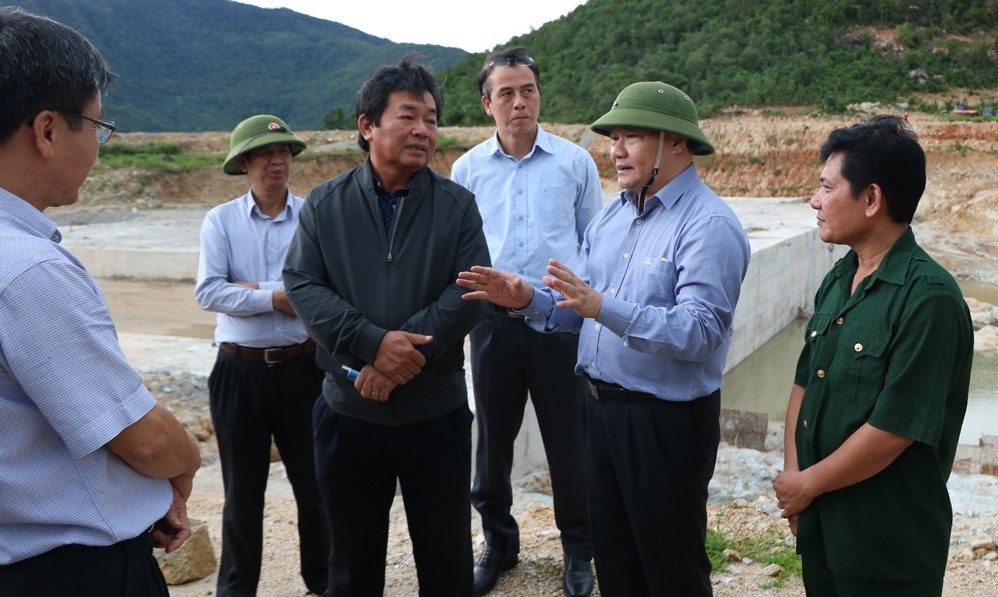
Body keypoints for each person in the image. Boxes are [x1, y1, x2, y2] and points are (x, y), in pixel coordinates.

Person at [457, 81, 751, 597]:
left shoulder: (709, 225)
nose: (614, 151)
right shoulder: (613, 218)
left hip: (665, 423)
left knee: (670, 567)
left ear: (676, 143)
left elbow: (701, 331)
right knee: (615, 560)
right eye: (614, 138)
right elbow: (581, 312)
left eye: (631, 137)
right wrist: (527, 299)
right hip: (599, 413)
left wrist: (602, 306)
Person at [0, 8, 201, 595]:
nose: (99, 146)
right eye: (97, 126)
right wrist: (183, 467)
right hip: (67, 570)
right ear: (47, 130)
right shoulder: (28, 268)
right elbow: (143, 437)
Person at [282, 54, 490, 597]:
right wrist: (372, 345)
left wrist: (399, 360)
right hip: (350, 413)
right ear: (367, 125)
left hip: (435, 413)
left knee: (446, 562)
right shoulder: (326, 204)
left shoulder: (457, 205)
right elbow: (304, 286)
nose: (424, 129)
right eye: (408, 115)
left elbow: (469, 291)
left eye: (431, 118)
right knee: (351, 565)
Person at [772, 115, 973, 596]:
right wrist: (797, 481)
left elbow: (894, 429)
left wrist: (808, 485)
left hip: (885, 544)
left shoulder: (929, 299)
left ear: (871, 199)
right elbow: (805, 384)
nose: (815, 201)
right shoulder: (841, 278)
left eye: (826, 187)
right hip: (823, 525)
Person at [449, 46, 602, 597]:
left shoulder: (574, 162)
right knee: (491, 440)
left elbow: (594, 242)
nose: (520, 102)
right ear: (488, 103)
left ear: (540, 96)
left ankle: (579, 550)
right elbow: (458, 248)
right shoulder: (466, 168)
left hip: (558, 320)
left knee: (571, 439)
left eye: (528, 90)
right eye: (507, 93)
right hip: (489, 323)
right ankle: (499, 540)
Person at [194, 114, 329, 596]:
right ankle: (236, 590)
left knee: (315, 487)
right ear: (245, 163)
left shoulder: (315, 214)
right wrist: (277, 296)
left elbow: (324, 287)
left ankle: (323, 579)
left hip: (304, 367)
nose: (279, 160)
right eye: (267, 154)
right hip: (239, 370)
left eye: (285, 152)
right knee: (242, 494)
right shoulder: (221, 221)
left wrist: (251, 289)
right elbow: (209, 291)